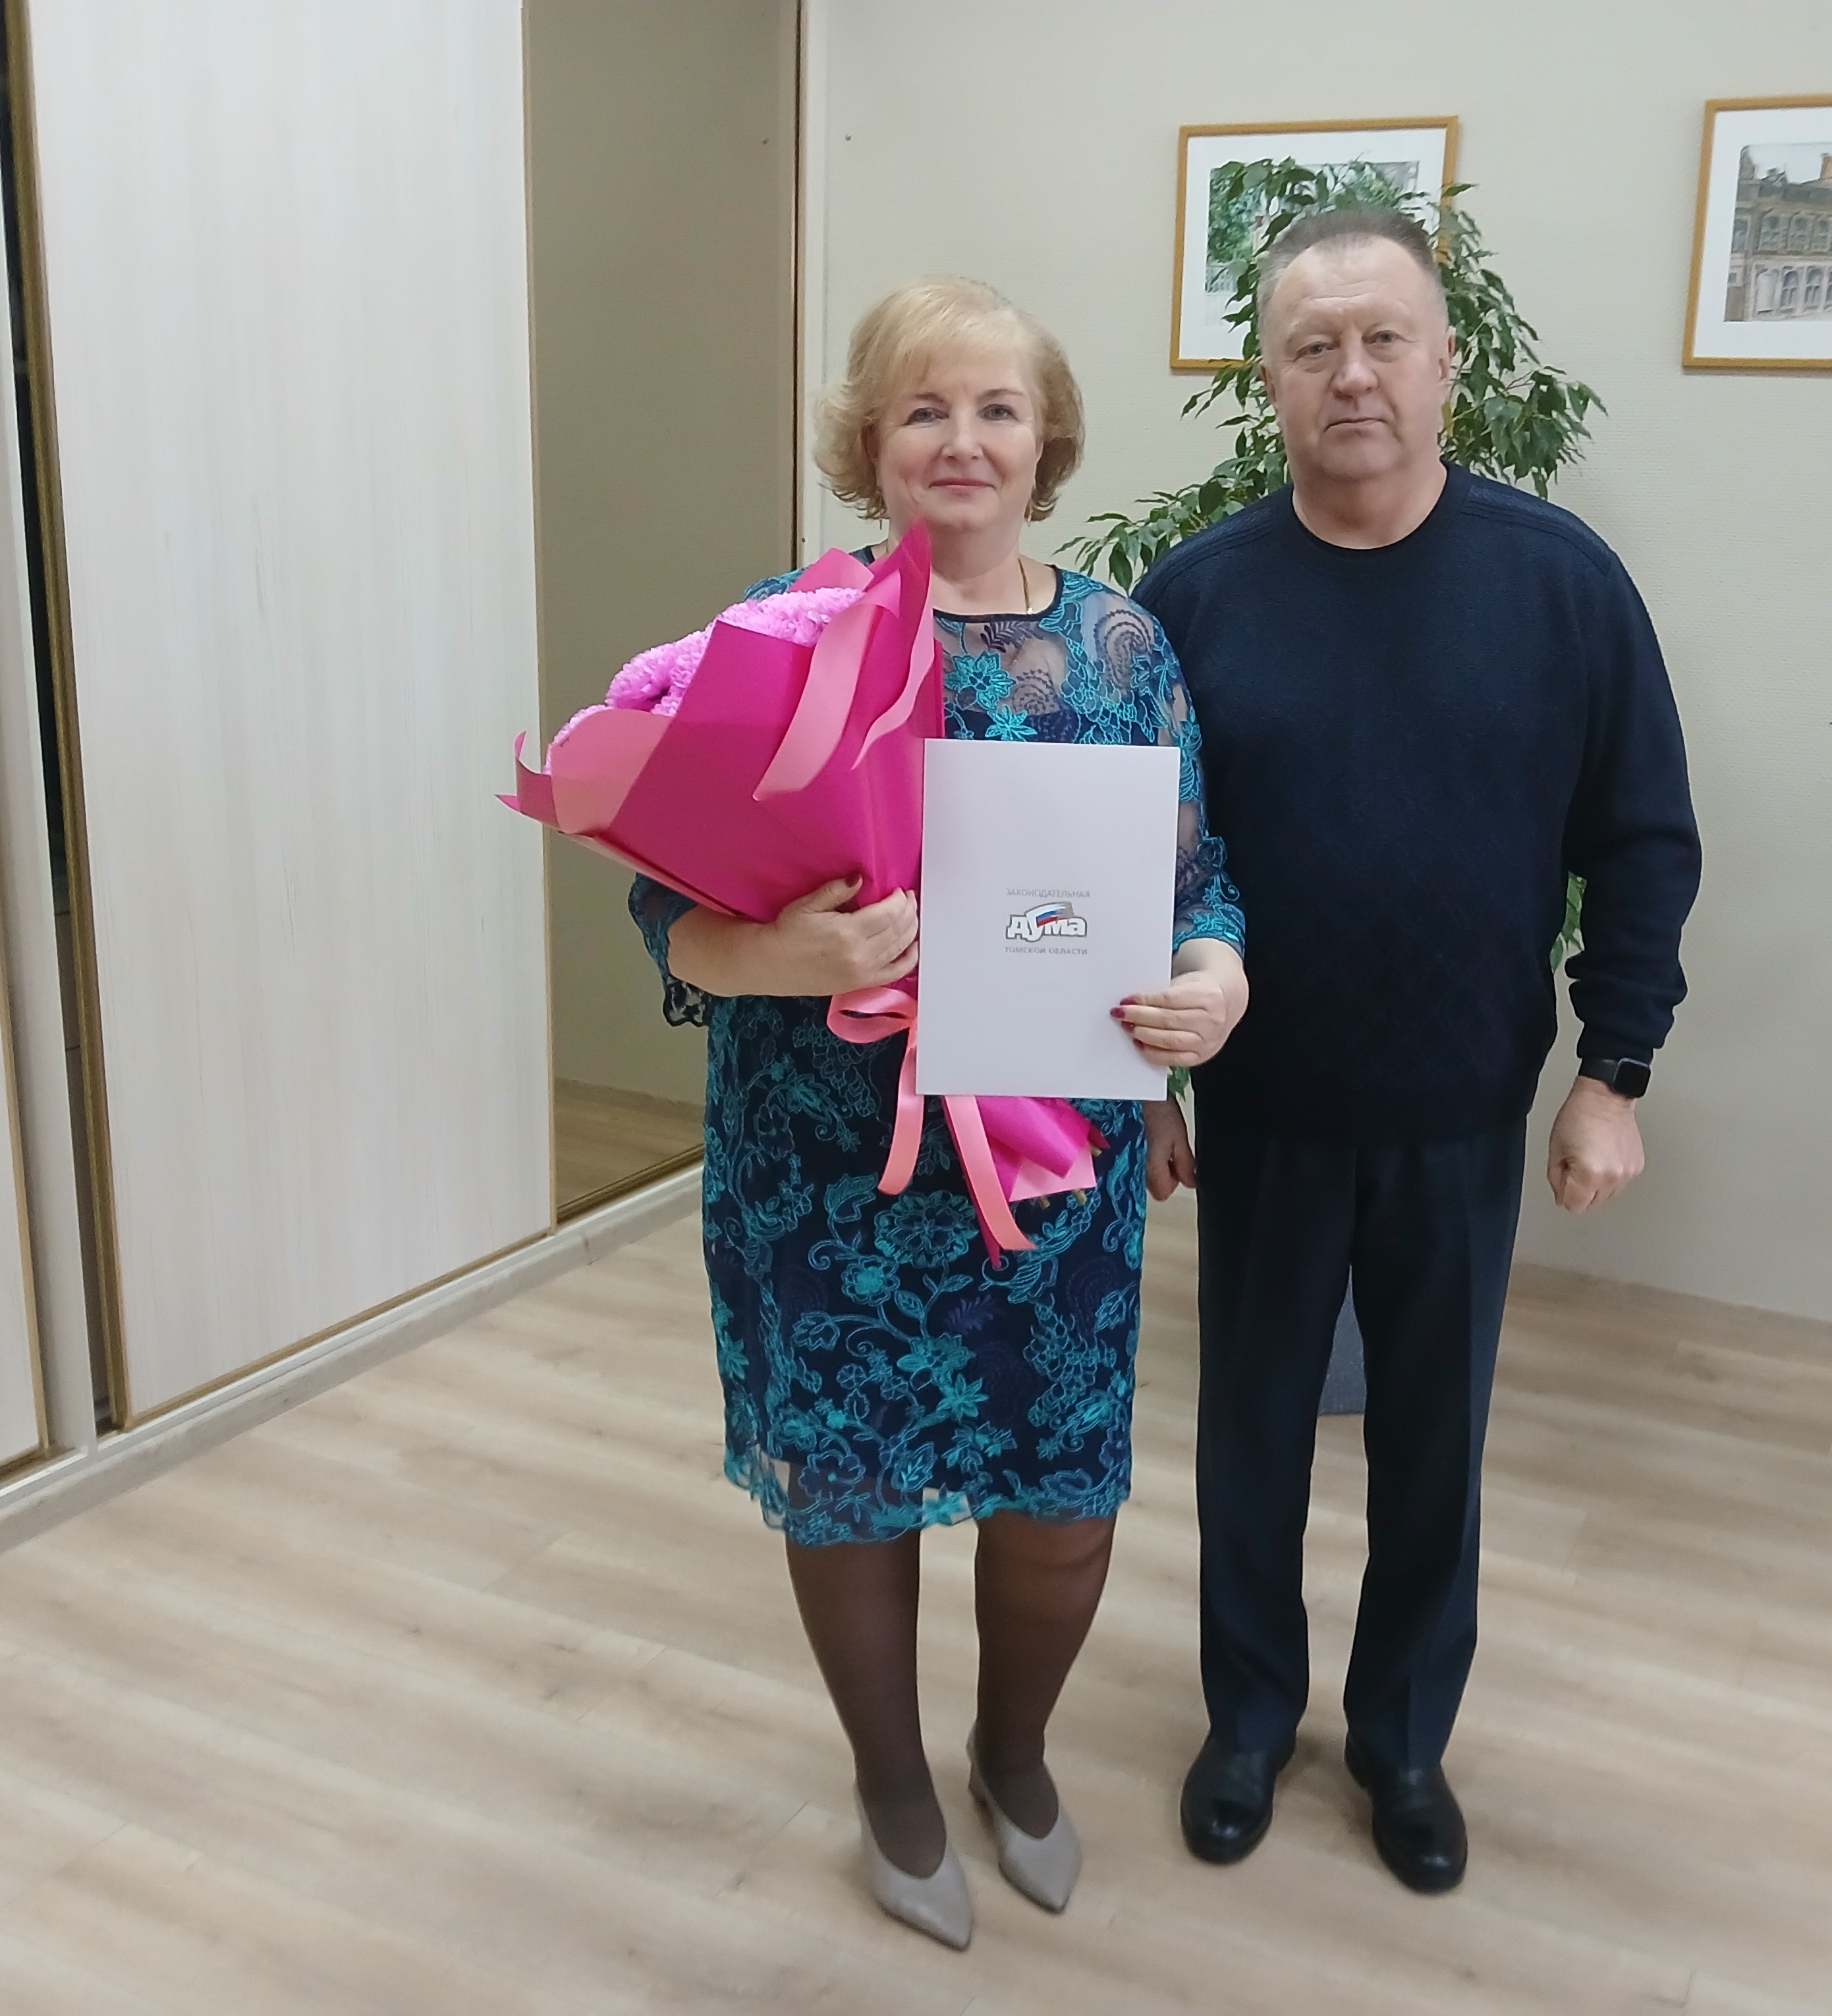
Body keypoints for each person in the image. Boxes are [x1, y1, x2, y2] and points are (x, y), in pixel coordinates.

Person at [630, 277, 1249, 1949]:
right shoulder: (782, 637)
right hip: (829, 1171)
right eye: (923, 410)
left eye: (995, 409)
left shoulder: (1122, 647)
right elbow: (664, 909)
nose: (960, 440)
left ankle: (1013, 1752)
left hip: (1055, 1176)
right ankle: (892, 1781)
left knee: (1060, 1505)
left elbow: (1198, 880)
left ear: (1045, 443)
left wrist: (1213, 984)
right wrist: (785, 953)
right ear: (869, 442)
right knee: (855, 1494)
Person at [1135, 206, 1700, 1895]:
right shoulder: (1193, 602)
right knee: (1251, 1437)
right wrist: (1142, 1080)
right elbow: (1133, 859)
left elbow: (1643, 840)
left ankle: (1401, 1743)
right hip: (1261, 1108)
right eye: (1314, 346)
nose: (1354, 374)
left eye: (1385, 338)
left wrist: (1614, 1070)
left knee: (1432, 1450)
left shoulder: (1559, 584)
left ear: (1448, 362)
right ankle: (1250, 1722)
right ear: (1269, 378)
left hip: (1462, 1104)